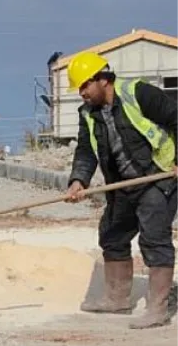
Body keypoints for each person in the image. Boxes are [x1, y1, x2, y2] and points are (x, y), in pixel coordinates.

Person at [64, 51, 178, 329]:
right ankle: (117, 299)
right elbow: (85, 150)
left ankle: (157, 308)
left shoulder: (138, 93)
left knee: (154, 239)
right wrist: (78, 180)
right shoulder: (88, 114)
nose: (81, 93)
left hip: (157, 176)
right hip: (123, 183)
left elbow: (177, 118)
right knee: (112, 235)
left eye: (84, 86)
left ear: (102, 79)